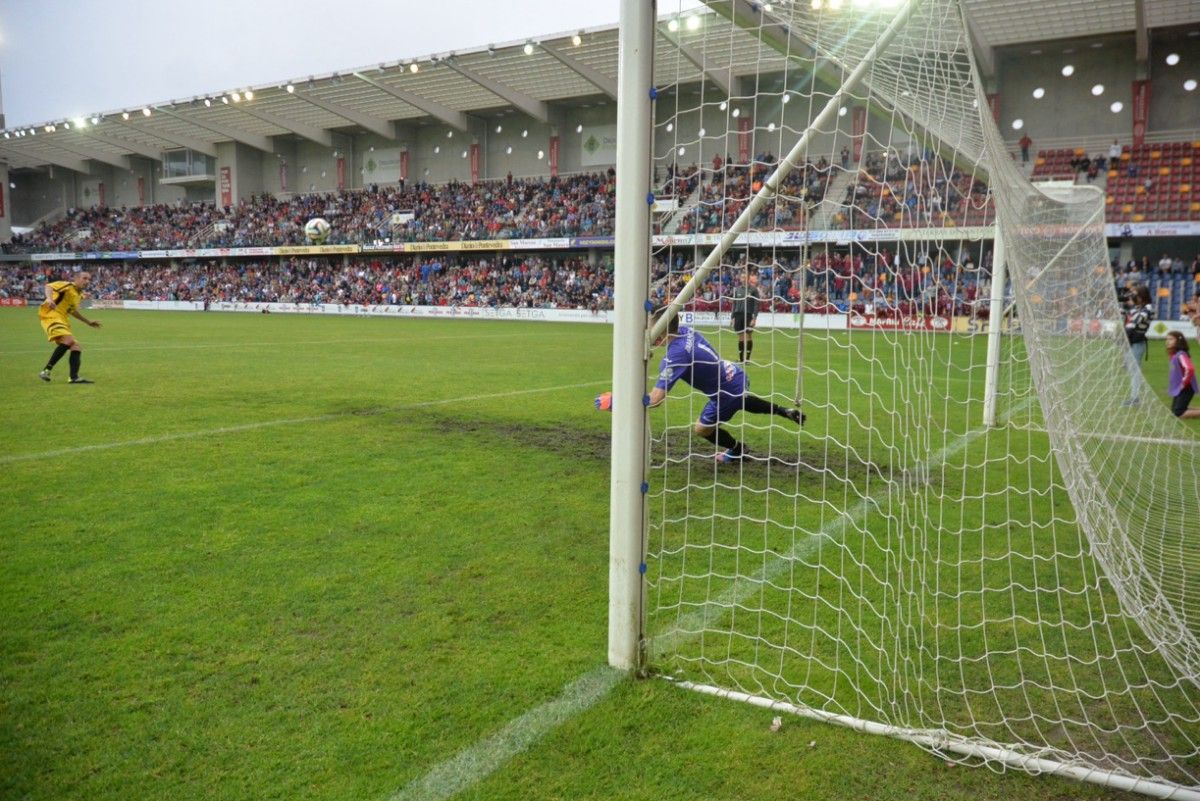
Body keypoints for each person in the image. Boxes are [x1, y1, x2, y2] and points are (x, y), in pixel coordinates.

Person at [645, 307, 804, 463]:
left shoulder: (677, 356)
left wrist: (622, 403)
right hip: (734, 373)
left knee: (702, 429)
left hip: (725, 391)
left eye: (651, 327)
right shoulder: (685, 330)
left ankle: (738, 449)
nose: (648, 331)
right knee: (740, 399)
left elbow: (655, 399)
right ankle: (783, 411)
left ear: (661, 329)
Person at [37, 271, 101, 384]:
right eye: (84, 278)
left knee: (76, 346)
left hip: (62, 319)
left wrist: (88, 322)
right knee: (69, 340)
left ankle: (73, 377)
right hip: (50, 315)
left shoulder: (78, 295)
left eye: (89, 279)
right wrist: (50, 299)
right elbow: (49, 286)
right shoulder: (67, 285)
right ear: (76, 278)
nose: (87, 281)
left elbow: (72, 311)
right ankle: (46, 371)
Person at [1123, 285, 1153, 404]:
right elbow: (1128, 319)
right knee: (1132, 370)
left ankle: (1135, 398)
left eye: (1136, 294)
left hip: (1138, 343)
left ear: (1142, 295)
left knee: (1135, 371)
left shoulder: (1148, 308)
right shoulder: (1139, 308)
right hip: (1132, 342)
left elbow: (1136, 321)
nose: (1134, 296)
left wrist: (1132, 308)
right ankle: (1134, 397)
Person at [730, 270, 764, 363]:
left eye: (745, 277)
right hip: (738, 315)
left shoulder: (753, 290)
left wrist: (754, 318)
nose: (743, 279)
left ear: (748, 279)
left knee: (748, 336)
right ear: (740, 279)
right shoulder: (737, 289)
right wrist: (732, 317)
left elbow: (756, 304)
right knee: (740, 337)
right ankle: (741, 359)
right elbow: (734, 303)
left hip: (748, 315)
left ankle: (748, 359)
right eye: (742, 277)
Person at [1165, 331, 1199, 420]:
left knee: (1178, 414)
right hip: (1179, 388)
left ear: (1178, 341)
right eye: (1167, 339)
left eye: (1171, 339)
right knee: (1174, 412)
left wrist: (1182, 384)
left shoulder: (1181, 354)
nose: (1167, 341)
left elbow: (1190, 369)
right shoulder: (1174, 354)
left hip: (1186, 388)